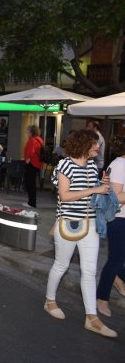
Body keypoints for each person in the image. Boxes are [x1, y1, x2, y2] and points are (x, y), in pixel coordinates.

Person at [44, 129, 117, 338]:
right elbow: (64, 196)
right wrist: (94, 190)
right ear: (84, 144)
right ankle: (50, 301)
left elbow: (91, 193)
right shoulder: (65, 165)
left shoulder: (93, 166)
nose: (98, 147)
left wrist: (103, 187)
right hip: (69, 223)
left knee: (90, 271)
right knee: (61, 265)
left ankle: (92, 317)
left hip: (91, 224)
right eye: (95, 144)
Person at [96, 135, 125, 317]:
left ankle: (117, 277)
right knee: (115, 259)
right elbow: (115, 197)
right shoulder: (120, 165)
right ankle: (102, 299)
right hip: (119, 219)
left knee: (117, 259)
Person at [23, 125, 44, 208]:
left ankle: (31, 203)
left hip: (32, 163)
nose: (26, 132)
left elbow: (31, 151)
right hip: (37, 164)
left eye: (27, 130)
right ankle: (31, 202)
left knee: (29, 183)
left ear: (31, 131)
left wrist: (27, 159)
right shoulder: (39, 139)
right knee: (31, 183)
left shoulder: (32, 140)